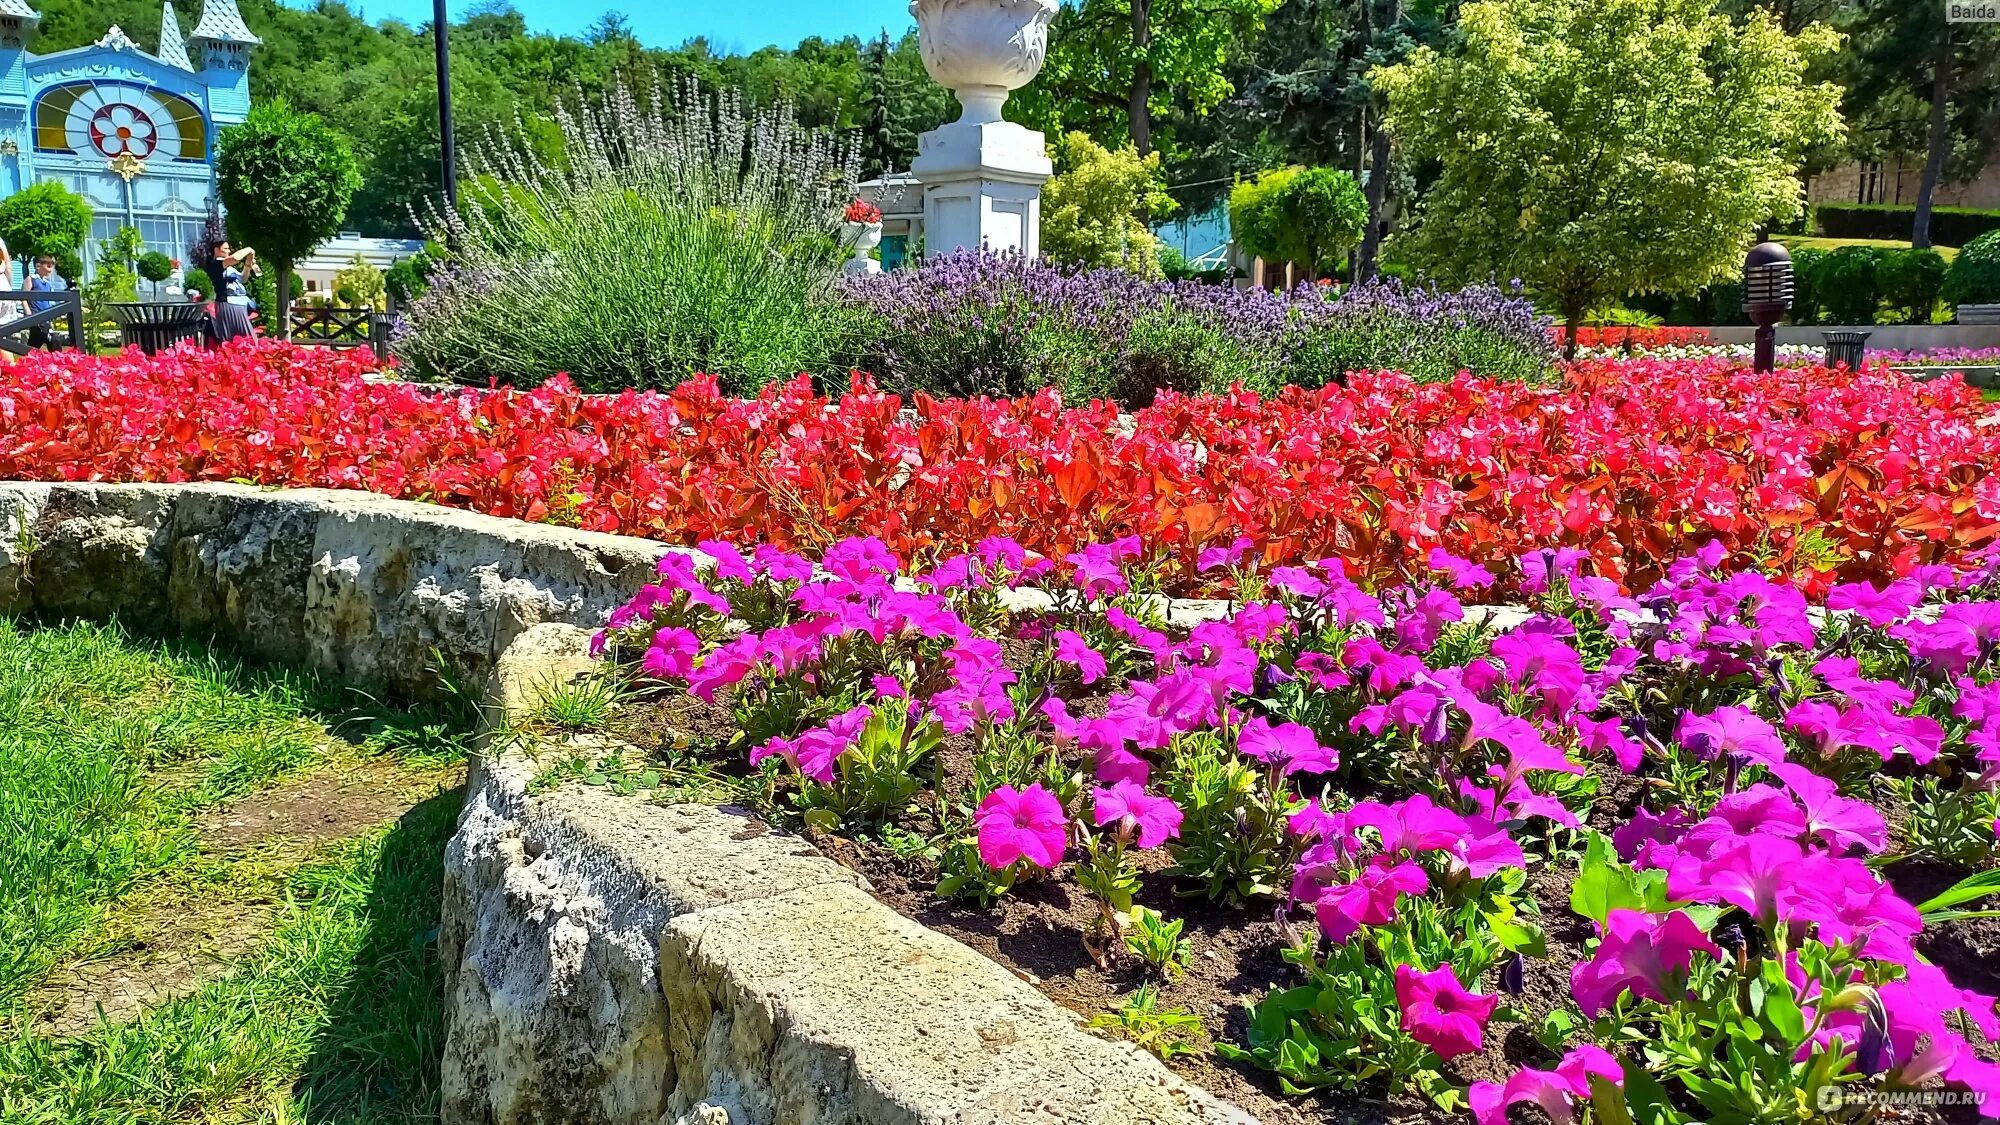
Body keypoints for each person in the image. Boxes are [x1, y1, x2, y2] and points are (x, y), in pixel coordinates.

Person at [202, 239, 257, 344]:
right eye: (225, 249)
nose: (228, 251)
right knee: (242, 338)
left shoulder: (228, 267)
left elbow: (243, 279)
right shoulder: (216, 264)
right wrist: (248, 249)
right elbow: (236, 258)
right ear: (216, 250)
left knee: (247, 338)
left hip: (240, 304)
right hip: (228, 303)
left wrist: (248, 263)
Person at [25, 254, 66, 350]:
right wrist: (28, 313)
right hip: (36, 318)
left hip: (46, 318)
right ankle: (57, 359)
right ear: (38, 266)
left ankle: (27, 359)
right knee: (53, 338)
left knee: (34, 344)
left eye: (51, 267)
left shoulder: (47, 284)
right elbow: (23, 297)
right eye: (48, 266)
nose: (50, 270)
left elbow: (50, 301)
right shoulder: (31, 279)